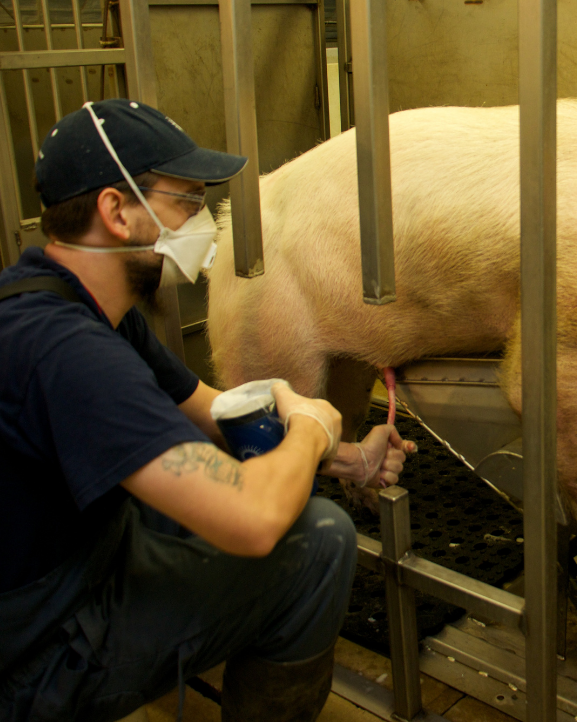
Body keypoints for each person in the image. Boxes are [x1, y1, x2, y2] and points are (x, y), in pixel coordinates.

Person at [0, 98, 412, 722]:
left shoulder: (80, 306)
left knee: (313, 525)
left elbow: (219, 413)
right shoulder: (66, 349)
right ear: (115, 211)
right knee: (315, 544)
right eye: (185, 202)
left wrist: (350, 457)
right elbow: (250, 519)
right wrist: (309, 427)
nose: (201, 223)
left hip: (90, 551)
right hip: (36, 649)